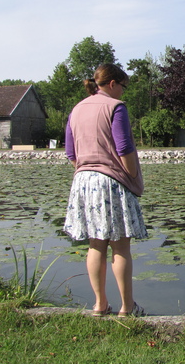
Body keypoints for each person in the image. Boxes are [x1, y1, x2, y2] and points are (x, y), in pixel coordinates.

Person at [64, 63, 148, 317]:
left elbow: (70, 152)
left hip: (83, 180)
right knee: (121, 247)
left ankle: (100, 305)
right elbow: (124, 148)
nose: (124, 91)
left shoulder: (77, 109)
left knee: (96, 244)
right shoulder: (115, 107)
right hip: (110, 180)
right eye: (123, 85)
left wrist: (85, 170)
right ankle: (127, 307)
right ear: (112, 84)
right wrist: (131, 175)